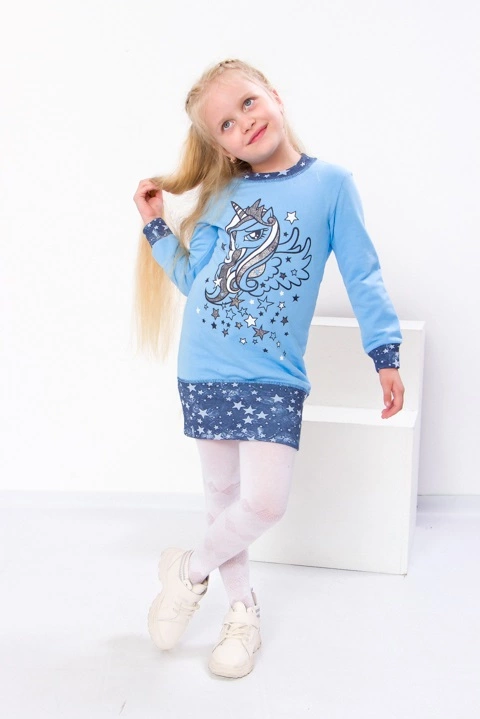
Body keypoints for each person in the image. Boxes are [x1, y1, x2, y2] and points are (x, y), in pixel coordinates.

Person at [132, 58, 405, 679]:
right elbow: (193, 280)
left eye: (248, 103)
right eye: (226, 125)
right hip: (205, 363)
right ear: (221, 146)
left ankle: (187, 572)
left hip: (274, 373)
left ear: (274, 95)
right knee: (223, 499)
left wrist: (383, 352)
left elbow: (362, 274)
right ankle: (241, 612)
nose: (244, 123)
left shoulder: (332, 184)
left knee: (263, 503)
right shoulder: (223, 195)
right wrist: (154, 226)